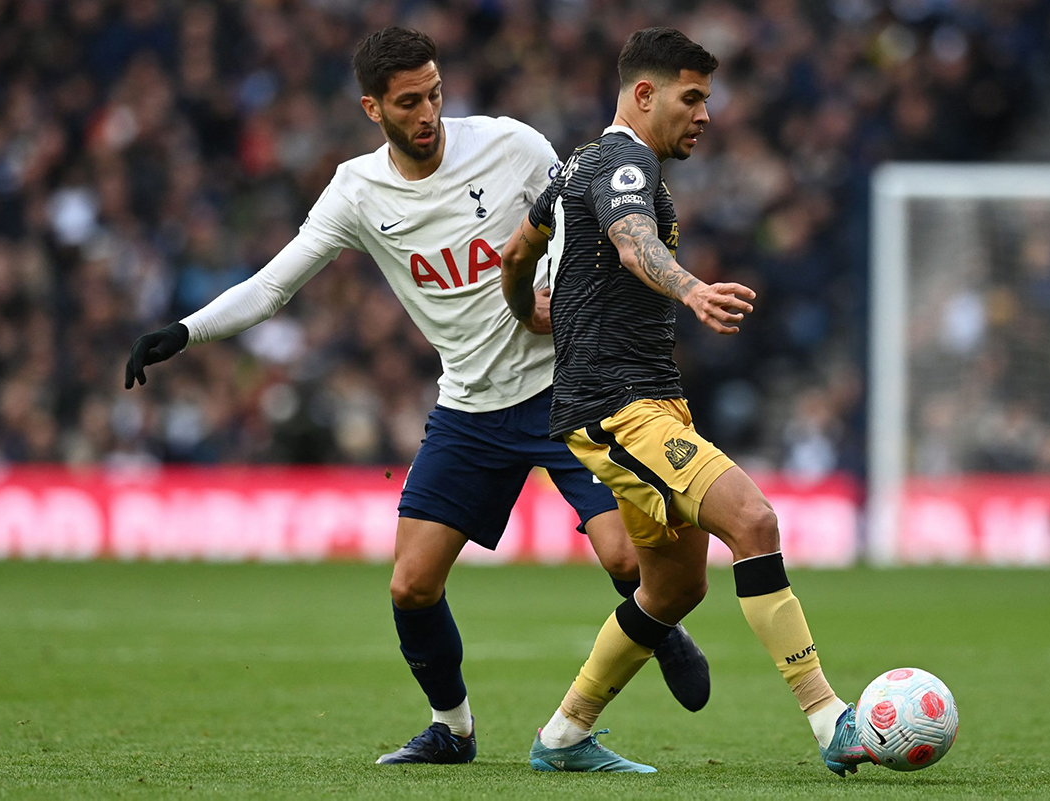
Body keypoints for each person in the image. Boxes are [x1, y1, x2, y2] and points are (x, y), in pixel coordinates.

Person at [123, 27, 709, 766]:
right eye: (409, 102)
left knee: (628, 559)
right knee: (410, 585)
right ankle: (452, 728)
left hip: (568, 391)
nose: (428, 111)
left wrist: (573, 297)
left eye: (435, 92)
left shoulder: (513, 146)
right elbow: (274, 285)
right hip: (469, 405)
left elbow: (584, 219)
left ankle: (625, 666)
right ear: (374, 108)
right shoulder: (357, 191)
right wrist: (185, 330)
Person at [500, 27, 870, 776]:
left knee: (675, 585)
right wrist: (693, 287)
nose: (706, 113)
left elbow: (516, 251)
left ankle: (565, 734)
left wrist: (529, 309)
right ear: (644, 94)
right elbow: (634, 242)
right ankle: (831, 717)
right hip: (615, 405)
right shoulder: (626, 160)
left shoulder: (578, 163)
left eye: (708, 97)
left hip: (645, 401)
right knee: (755, 521)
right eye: (691, 97)